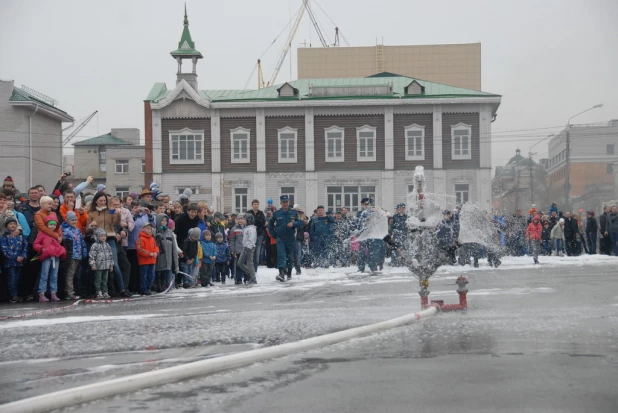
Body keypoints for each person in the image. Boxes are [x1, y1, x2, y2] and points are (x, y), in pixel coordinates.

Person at [86, 192, 130, 297]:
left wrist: (117, 214)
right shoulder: (92, 213)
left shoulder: (109, 210)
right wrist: (91, 226)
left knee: (114, 265)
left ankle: (122, 289)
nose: (102, 202)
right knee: (98, 266)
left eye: (104, 200)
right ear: (96, 201)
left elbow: (116, 222)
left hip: (110, 238)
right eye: (100, 200)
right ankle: (98, 290)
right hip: (97, 240)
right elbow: (87, 230)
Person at [268, 195, 303, 282]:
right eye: (283, 202)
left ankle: (289, 274)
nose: (285, 204)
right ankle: (281, 273)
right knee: (281, 255)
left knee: (290, 256)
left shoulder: (294, 213)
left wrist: (293, 224)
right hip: (280, 238)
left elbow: (300, 223)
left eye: (286, 202)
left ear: (289, 202)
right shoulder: (276, 213)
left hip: (291, 237)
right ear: (281, 203)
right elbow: (270, 225)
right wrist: (274, 235)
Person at [33, 214, 66, 302]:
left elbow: (59, 244)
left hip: (56, 257)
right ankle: (42, 293)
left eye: (54, 225)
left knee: (54, 276)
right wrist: (41, 249)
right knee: (44, 275)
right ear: (47, 224)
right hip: (46, 256)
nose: (52, 226)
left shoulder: (57, 234)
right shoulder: (42, 233)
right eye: (51, 224)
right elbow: (35, 244)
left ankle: (53, 293)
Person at [1, 217, 29, 302]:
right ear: (6, 226)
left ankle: (17, 294)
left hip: (19, 262)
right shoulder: (4, 237)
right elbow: (4, 249)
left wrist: (22, 256)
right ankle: (12, 295)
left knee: (18, 279)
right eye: (10, 224)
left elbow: (25, 247)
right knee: (11, 279)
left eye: (14, 224)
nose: (13, 225)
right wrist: (15, 257)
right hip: (10, 262)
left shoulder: (20, 236)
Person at [61, 211, 87, 300]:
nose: (74, 221)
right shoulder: (65, 231)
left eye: (75, 220)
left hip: (78, 255)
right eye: (72, 220)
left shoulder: (77, 230)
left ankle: (72, 291)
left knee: (74, 273)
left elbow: (81, 242)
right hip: (71, 255)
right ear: (68, 220)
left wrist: (84, 252)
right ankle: (69, 292)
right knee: (70, 274)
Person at [154, 214, 179, 292]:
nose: (164, 222)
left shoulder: (170, 232)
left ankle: (165, 286)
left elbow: (174, 249)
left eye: (165, 221)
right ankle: (158, 286)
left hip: (168, 261)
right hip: (158, 260)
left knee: (166, 276)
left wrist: (176, 264)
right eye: (162, 220)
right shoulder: (154, 232)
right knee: (158, 274)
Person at [89, 228, 115, 299]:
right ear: (97, 237)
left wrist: (111, 265)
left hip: (106, 266)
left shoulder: (107, 245)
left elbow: (111, 256)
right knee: (98, 280)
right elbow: (92, 256)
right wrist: (93, 264)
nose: (103, 237)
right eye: (101, 236)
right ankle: (98, 291)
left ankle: (105, 291)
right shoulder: (95, 245)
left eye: (104, 236)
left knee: (105, 280)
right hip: (98, 266)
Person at [136, 222, 158, 295]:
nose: (149, 230)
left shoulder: (152, 238)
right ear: (143, 229)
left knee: (151, 275)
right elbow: (139, 249)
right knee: (144, 276)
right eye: (147, 228)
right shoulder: (141, 239)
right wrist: (149, 254)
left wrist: (156, 252)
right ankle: (143, 289)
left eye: (150, 229)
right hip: (144, 261)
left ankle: (148, 288)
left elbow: (156, 247)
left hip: (152, 260)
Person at [246, 199, 267, 272]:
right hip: (250, 235)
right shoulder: (248, 212)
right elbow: (247, 222)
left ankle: (255, 269)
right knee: (250, 252)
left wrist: (254, 221)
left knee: (257, 252)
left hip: (259, 234)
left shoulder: (261, 213)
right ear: (252, 205)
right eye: (254, 204)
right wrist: (257, 221)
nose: (256, 205)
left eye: (257, 204)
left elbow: (262, 222)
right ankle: (250, 268)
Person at [237, 214, 257, 284]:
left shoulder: (251, 229)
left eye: (244, 219)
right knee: (240, 263)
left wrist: (249, 247)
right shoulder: (246, 228)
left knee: (250, 263)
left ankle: (253, 279)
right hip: (245, 247)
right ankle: (251, 274)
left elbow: (252, 239)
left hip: (249, 248)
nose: (242, 220)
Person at [229, 214, 246, 284]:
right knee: (238, 265)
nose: (240, 220)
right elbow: (232, 240)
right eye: (238, 219)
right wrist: (232, 250)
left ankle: (246, 278)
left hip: (246, 249)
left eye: (241, 219)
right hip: (238, 250)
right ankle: (238, 279)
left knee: (246, 265)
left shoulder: (247, 228)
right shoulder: (234, 229)